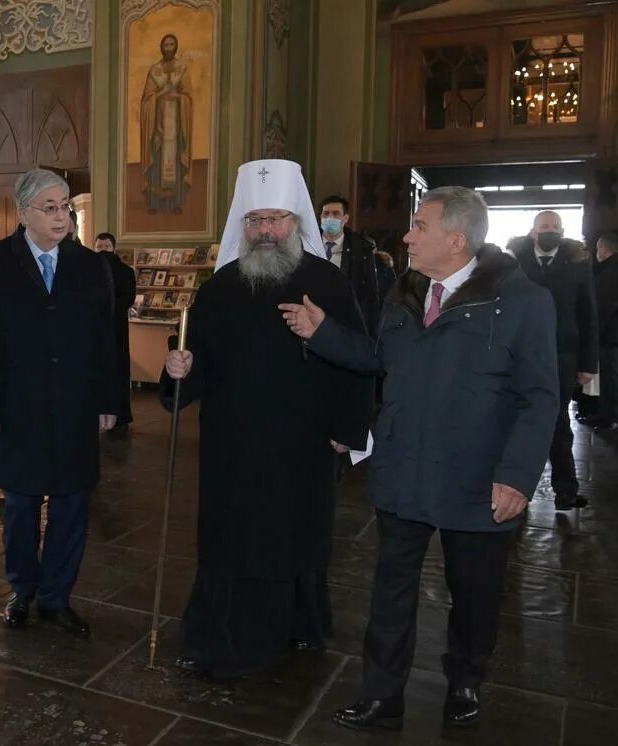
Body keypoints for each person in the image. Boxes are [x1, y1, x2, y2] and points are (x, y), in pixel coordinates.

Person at [280, 186, 559, 730]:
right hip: (404, 468)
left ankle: (466, 680)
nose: (406, 236)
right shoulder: (404, 292)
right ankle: (382, 696)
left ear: (456, 240)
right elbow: (377, 360)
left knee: (474, 594)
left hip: (479, 479)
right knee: (390, 591)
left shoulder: (522, 301)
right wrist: (323, 333)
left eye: (420, 227)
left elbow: (540, 396)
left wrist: (517, 476)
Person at [163, 160, 373, 677]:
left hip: (302, 440)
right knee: (230, 535)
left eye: (275, 219)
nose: (265, 231)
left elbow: (358, 359)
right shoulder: (220, 287)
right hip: (231, 441)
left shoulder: (326, 282)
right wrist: (179, 369)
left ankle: (297, 623)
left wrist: (347, 430)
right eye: (255, 220)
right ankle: (224, 633)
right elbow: (196, 361)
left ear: (295, 221)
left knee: (294, 533)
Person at [0, 169, 118, 639]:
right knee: (20, 506)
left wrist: (110, 399)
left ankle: (56, 598)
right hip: (17, 408)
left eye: (64, 206)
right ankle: (23, 590)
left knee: (72, 505)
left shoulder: (91, 266)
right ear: (23, 213)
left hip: (75, 406)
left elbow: (108, 339)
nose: (61, 216)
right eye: (49, 208)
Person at [507, 211, 597, 510]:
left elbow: (588, 316)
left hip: (562, 356)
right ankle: (514, 486)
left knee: (558, 421)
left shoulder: (577, 265)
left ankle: (565, 489)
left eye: (555, 227)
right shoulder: (515, 263)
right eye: (545, 226)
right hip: (521, 355)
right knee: (517, 421)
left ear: (562, 231)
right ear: (533, 232)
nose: (550, 231)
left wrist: (588, 364)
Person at [140, 33, 193, 214]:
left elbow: (188, 97)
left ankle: (175, 203)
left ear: (175, 47)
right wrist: (160, 94)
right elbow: (147, 99)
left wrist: (178, 97)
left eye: (171, 45)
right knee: (157, 163)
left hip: (176, 127)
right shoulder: (155, 71)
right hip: (158, 126)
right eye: (166, 45)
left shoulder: (182, 69)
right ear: (161, 48)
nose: (169, 48)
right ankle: (155, 203)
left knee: (174, 163)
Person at [319, 195, 387, 334]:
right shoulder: (307, 245)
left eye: (336, 214)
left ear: (346, 218)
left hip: (345, 322)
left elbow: (371, 295)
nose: (330, 218)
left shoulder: (361, 250)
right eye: (326, 214)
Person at [95, 231, 137, 432]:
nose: (103, 251)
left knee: (119, 369)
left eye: (106, 247)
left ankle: (120, 415)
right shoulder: (89, 270)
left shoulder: (126, 272)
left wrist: (107, 306)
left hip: (117, 328)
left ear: (114, 248)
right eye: (99, 248)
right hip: (95, 329)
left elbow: (128, 298)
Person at [593, 231, 618, 430]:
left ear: (604, 249)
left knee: (610, 378)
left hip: (610, 336)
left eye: (597, 248)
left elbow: (603, 307)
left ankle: (608, 418)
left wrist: (595, 333)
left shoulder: (609, 273)